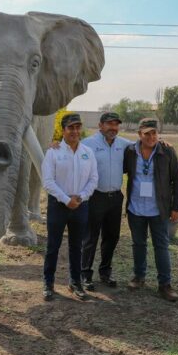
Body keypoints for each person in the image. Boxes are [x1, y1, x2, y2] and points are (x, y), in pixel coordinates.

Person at [123, 118, 178, 302]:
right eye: (147, 133)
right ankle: (139, 277)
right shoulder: (130, 152)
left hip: (159, 210)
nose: (151, 137)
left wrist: (176, 207)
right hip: (136, 208)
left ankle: (165, 285)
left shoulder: (167, 151)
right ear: (139, 135)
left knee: (161, 246)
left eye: (154, 133)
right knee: (138, 244)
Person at [41, 113, 98, 301]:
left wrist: (80, 198)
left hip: (80, 206)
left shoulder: (87, 152)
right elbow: (48, 182)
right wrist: (66, 200)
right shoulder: (53, 152)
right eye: (70, 127)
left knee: (76, 247)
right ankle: (48, 283)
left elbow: (93, 179)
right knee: (53, 246)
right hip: (58, 206)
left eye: (77, 127)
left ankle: (75, 283)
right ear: (63, 130)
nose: (74, 131)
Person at [80, 112, 132, 290]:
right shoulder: (88, 144)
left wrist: (163, 142)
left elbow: (143, 144)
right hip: (95, 197)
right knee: (90, 237)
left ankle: (105, 272)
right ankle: (85, 274)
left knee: (112, 237)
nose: (113, 128)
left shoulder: (123, 144)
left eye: (116, 124)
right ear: (100, 125)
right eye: (109, 124)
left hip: (115, 198)